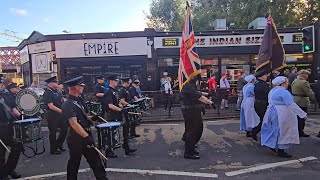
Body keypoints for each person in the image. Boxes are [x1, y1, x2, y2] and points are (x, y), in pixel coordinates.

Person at [61, 76, 108, 180]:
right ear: (76, 87)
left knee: (96, 161)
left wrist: (94, 118)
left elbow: (83, 117)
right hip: (76, 138)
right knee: (74, 163)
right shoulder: (67, 104)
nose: (83, 87)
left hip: (85, 135)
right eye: (81, 85)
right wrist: (87, 137)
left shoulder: (79, 100)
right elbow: (74, 123)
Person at [261, 76, 307, 158]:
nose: (287, 83)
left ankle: (271, 144)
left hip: (272, 111)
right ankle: (281, 150)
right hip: (281, 113)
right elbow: (291, 104)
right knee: (283, 131)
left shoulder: (273, 90)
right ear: (282, 83)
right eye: (286, 82)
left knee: (274, 129)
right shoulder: (284, 92)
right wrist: (302, 114)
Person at [102, 75, 137, 158]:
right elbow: (110, 105)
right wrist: (120, 109)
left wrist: (121, 106)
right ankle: (109, 151)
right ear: (111, 81)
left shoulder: (116, 91)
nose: (117, 82)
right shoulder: (108, 92)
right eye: (115, 80)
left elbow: (118, 102)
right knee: (111, 134)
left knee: (125, 130)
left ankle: (127, 148)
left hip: (118, 113)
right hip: (112, 115)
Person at [181, 75, 213, 159]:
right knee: (193, 130)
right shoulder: (186, 85)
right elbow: (198, 95)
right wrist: (210, 102)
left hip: (193, 109)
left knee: (196, 129)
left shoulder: (190, 84)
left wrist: (208, 94)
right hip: (190, 110)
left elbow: (197, 92)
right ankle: (189, 152)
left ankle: (190, 145)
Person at [0, 76, 23, 180]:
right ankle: (3, 174)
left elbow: (13, 110)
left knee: (17, 146)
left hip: (9, 125)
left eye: (1, 83)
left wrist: (23, 117)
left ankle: (9, 169)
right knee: (1, 153)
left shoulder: (6, 96)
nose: (1, 85)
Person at [42, 76, 67, 155]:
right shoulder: (48, 92)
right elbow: (50, 106)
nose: (57, 84)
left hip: (60, 114)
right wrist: (61, 111)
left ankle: (58, 145)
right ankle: (53, 149)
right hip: (52, 115)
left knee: (65, 129)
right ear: (50, 84)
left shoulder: (57, 91)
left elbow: (62, 99)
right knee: (53, 132)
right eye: (55, 82)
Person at [291, 70, 316, 137]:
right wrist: (315, 98)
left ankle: (297, 131)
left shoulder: (295, 81)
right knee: (302, 117)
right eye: (307, 75)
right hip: (302, 101)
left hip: (295, 101)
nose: (307, 76)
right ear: (304, 75)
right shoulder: (304, 82)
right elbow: (309, 93)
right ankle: (300, 132)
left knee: (297, 117)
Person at [250, 69, 271, 141]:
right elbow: (268, 94)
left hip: (259, 104)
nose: (266, 76)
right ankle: (255, 131)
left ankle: (255, 131)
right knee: (264, 120)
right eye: (265, 75)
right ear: (261, 77)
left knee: (264, 120)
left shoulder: (258, 84)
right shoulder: (263, 85)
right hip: (262, 104)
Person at [118, 78, 138, 150]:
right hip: (126, 109)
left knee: (129, 123)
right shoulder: (122, 90)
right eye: (127, 83)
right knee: (126, 125)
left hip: (128, 108)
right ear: (124, 83)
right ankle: (125, 142)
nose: (129, 84)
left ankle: (126, 142)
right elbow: (122, 101)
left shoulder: (126, 90)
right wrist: (129, 105)